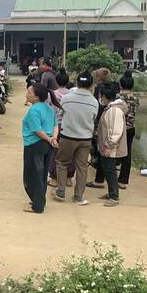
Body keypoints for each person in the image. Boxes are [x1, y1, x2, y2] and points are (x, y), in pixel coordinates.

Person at [53, 72, 98, 205]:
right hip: (85, 139)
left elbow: (60, 114)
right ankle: (78, 196)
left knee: (62, 163)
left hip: (68, 136)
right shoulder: (94, 102)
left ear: (77, 83)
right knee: (82, 167)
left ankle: (60, 191)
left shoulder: (67, 98)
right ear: (91, 85)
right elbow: (93, 118)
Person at [22, 83, 58, 214]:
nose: (27, 94)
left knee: (32, 175)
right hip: (47, 145)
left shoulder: (34, 110)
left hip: (35, 145)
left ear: (37, 97)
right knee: (41, 174)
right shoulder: (49, 108)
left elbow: (37, 130)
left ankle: (37, 206)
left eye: (29, 92)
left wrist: (49, 139)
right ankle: (39, 201)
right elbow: (55, 125)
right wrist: (53, 138)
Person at [95, 83, 128, 207]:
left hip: (112, 148)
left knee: (110, 171)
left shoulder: (114, 111)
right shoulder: (111, 108)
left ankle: (114, 196)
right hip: (107, 147)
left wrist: (109, 146)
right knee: (107, 169)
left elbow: (115, 131)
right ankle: (111, 192)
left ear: (104, 96)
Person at [47, 69, 75, 183]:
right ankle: (69, 178)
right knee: (70, 152)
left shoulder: (52, 94)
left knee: (54, 151)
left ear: (56, 82)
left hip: (55, 125)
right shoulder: (72, 95)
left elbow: (48, 110)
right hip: (69, 125)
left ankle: (54, 178)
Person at [117, 71, 139, 189]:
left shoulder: (118, 97)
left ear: (120, 85)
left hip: (118, 128)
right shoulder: (136, 99)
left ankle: (106, 175)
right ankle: (123, 181)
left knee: (112, 151)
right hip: (131, 128)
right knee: (127, 154)